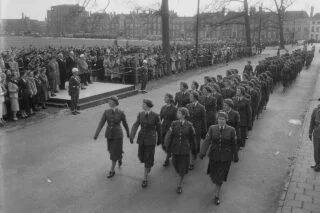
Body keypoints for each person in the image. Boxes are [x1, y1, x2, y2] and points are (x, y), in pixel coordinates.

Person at [199, 111, 236, 205]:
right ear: (217, 119)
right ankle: (216, 184)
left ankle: (217, 195)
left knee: (220, 177)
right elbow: (207, 141)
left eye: (223, 119)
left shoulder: (231, 130)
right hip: (214, 155)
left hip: (226, 157)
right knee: (213, 174)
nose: (221, 121)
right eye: (219, 119)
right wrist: (202, 152)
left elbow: (234, 144)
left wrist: (235, 155)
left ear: (226, 120)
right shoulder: (212, 128)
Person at [94, 96, 130, 178]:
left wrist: (128, 133)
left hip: (118, 135)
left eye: (110, 101)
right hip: (109, 134)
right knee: (110, 150)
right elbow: (101, 123)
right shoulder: (106, 112)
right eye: (108, 101)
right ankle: (119, 156)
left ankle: (112, 170)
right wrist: (96, 134)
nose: (109, 102)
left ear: (115, 102)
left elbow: (125, 124)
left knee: (113, 153)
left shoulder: (121, 112)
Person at [130, 99, 162, 188]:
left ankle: (145, 178)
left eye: (143, 104)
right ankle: (149, 165)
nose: (142, 105)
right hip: (142, 139)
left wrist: (160, 139)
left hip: (151, 139)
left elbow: (159, 128)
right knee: (141, 156)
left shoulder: (155, 116)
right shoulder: (140, 114)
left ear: (148, 105)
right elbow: (136, 125)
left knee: (148, 158)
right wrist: (132, 136)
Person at [164, 107, 196, 194]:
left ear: (183, 115)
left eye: (179, 113)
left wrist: (193, 149)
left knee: (182, 168)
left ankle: (179, 185)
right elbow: (169, 135)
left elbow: (192, 138)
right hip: (175, 147)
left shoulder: (189, 125)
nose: (177, 114)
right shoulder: (174, 123)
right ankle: (180, 174)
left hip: (185, 149)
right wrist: (166, 145)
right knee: (175, 163)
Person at [186, 91, 206, 170]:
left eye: (191, 96)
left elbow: (203, 119)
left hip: (197, 128)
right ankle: (191, 159)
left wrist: (204, 130)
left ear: (195, 97)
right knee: (190, 144)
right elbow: (186, 117)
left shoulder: (201, 107)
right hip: (189, 128)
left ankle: (192, 160)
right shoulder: (188, 106)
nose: (189, 98)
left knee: (195, 144)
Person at [160, 93, 178, 167]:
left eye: (166, 97)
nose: (164, 98)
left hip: (170, 127)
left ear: (170, 99)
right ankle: (169, 152)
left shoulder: (174, 109)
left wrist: (173, 128)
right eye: (164, 97)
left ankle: (167, 159)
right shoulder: (163, 107)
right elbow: (160, 116)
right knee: (162, 143)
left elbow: (176, 119)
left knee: (168, 143)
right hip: (163, 126)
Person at [308, 104, 320, 172]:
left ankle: (319, 165)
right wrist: (310, 132)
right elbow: (312, 122)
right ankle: (317, 164)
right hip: (316, 134)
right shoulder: (315, 110)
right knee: (316, 151)